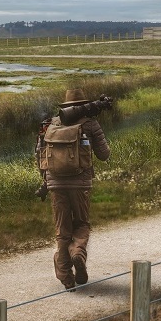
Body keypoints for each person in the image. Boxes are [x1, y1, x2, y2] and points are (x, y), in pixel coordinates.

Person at [36, 89, 111, 290]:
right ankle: (77, 252)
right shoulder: (90, 124)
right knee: (82, 223)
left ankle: (66, 276)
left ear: (65, 106)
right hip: (81, 185)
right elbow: (104, 155)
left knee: (62, 230)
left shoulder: (50, 124)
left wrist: (45, 182)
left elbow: (39, 155)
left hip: (55, 184)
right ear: (85, 105)